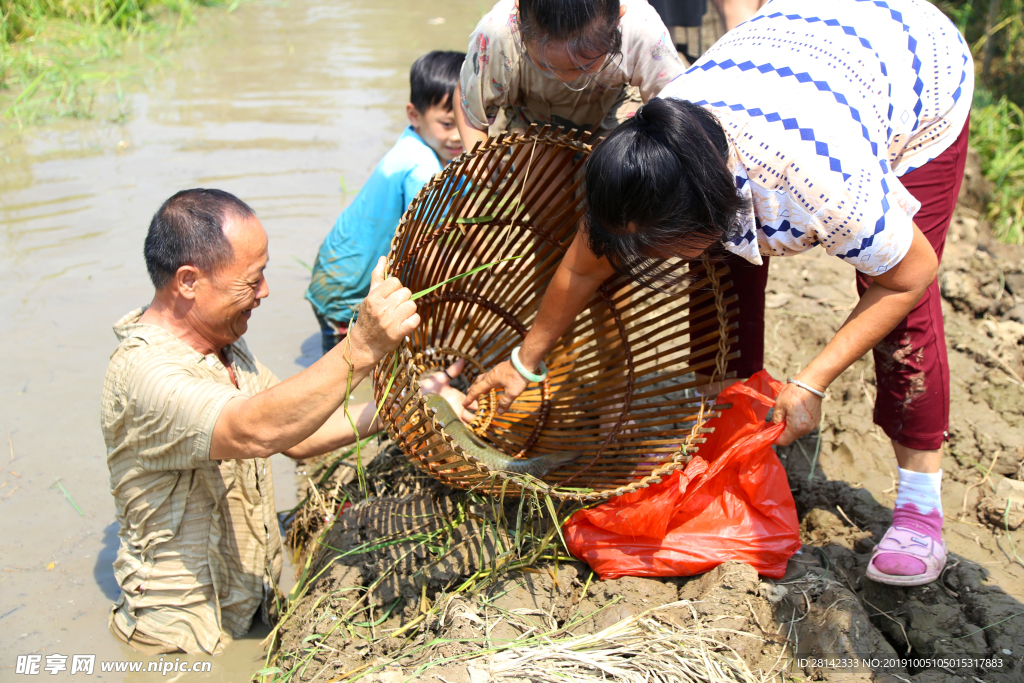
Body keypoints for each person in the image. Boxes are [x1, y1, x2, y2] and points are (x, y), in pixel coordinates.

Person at [465, 0, 972, 588]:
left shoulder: (823, 181)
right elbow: (582, 269)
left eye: (662, 247)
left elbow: (909, 275)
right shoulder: (649, 155)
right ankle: (724, 436)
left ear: (713, 213)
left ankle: (918, 507)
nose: (647, 264)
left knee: (899, 312)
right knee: (720, 289)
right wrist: (522, 364)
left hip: (914, 70)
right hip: (792, 43)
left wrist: (811, 382)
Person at [103, 189, 469, 654]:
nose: (265, 291)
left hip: (243, 607)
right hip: (179, 639)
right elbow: (251, 429)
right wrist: (360, 347)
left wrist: (408, 402)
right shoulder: (146, 374)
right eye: (252, 280)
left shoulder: (223, 344)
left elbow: (294, 433)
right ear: (189, 281)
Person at [306, 50, 465, 354]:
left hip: (336, 270)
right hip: (346, 293)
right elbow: (429, 248)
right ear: (414, 115)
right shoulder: (422, 168)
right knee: (350, 370)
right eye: (447, 124)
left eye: (464, 121)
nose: (458, 135)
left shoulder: (415, 142)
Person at [454, 0, 686, 151]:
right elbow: (470, 106)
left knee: (605, 200)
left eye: (584, 65)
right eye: (546, 65)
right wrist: (479, 163)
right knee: (546, 206)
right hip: (533, 122)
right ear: (520, 21)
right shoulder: (498, 33)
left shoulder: (641, 29)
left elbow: (678, 111)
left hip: (617, 109)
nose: (566, 78)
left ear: (617, 20)